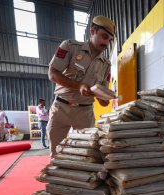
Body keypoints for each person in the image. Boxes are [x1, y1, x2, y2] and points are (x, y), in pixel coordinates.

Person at [47, 15, 115, 158]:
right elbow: (53, 74)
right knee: (57, 155)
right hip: (61, 109)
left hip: (85, 114)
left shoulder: (106, 65)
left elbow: (103, 102)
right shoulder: (70, 47)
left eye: (109, 40)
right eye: (104, 37)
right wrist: (79, 86)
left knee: (86, 155)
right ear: (92, 31)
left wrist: (105, 97)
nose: (106, 43)